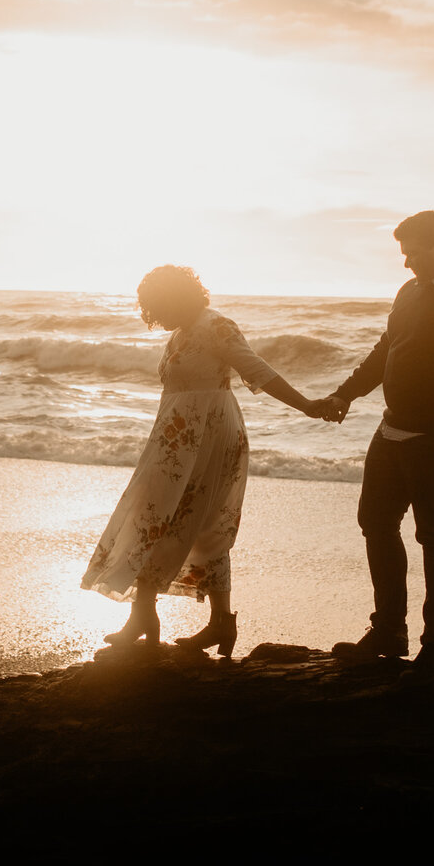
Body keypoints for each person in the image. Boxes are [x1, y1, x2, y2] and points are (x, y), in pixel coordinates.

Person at [82, 264, 333, 658]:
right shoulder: (182, 332)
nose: (156, 318)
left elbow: (258, 371)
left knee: (192, 522)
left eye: (158, 307)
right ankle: (162, 617)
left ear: (175, 299)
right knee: (156, 517)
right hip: (175, 438)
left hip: (210, 438)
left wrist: (307, 406)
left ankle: (194, 621)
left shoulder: (216, 326)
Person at [307, 211, 434, 680]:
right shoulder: (409, 292)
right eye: (403, 254)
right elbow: (385, 350)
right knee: (375, 522)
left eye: (412, 252)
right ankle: (389, 631)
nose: (406, 263)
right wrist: (345, 393)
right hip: (391, 429)